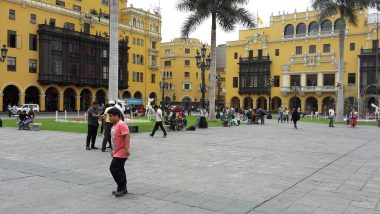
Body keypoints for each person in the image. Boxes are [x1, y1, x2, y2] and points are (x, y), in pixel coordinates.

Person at [108, 108, 130, 197]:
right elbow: (114, 139)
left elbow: (127, 135)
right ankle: (123, 188)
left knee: (113, 168)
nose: (109, 118)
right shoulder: (115, 125)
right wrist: (113, 150)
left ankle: (121, 187)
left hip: (122, 151)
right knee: (120, 169)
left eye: (111, 116)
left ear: (116, 116)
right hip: (117, 150)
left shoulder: (121, 124)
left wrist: (126, 148)